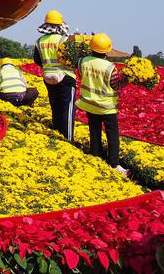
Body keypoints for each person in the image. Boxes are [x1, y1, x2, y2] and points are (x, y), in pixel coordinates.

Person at [76, 32, 128, 176]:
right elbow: (115, 85)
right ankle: (114, 163)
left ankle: (95, 155)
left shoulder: (82, 61)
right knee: (112, 135)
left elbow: (81, 76)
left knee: (94, 130)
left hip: (89, 103)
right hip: (106, 107)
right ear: (107, 51)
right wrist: (127, 80)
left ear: (91, 48)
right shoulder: (109, 67)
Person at [32, 10, 76, 139]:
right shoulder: (64, 39)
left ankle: (56, 134)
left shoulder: (39, 41)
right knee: (67, 109)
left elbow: (37, 59)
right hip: (65, 77)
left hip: (48, 77)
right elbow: (73, 60)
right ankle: (67, 139)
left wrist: (48, 67)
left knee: (55, 107)